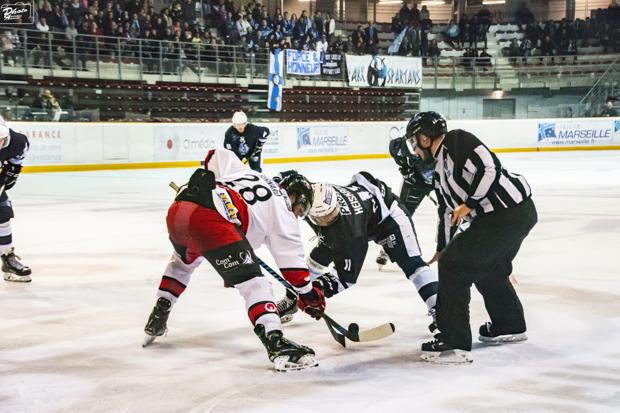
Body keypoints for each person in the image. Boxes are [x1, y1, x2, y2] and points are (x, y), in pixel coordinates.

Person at [142, 149, 325, 372]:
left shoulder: (250, 174)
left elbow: (215, 155)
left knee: (183, 263)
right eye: (300, 207)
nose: (297, 213)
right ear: (293, 194)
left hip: (181, 208)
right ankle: (276, 343)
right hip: (214, 222)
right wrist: (309, 296)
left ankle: (159, 313)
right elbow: (295, 271)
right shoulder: (284, 208)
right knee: (255, 284)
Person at [406, 112, 537, 364]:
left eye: (414, 141)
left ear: (424, 138)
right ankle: (509, 325)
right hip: (512, 215)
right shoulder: (439, 170)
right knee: (488, 268)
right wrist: (443, 247)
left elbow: (489, 168)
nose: (415, 149)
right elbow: (446, 211)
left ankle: (453, 343)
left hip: (505, 214)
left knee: (454, 266)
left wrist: (470, 204)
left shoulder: (456, 140)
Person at [275, 171, 438, 331]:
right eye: (322, 218)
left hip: (389, 218)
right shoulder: (310, 193)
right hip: (359, 213)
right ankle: (292, 299)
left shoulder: (350, 233)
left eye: (329, 216)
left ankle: (440, 311)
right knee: (318, 257)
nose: (327, 220)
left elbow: (346, 277)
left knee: (413, 264)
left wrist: (318, 289)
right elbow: (287, 182)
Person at [376, 134, 434, 267]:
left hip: (437, 182)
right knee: (401, 215)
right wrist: (406, 169)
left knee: (450, 212)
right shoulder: (410, 144)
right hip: (413, 184)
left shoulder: (441, 150)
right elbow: (395, 146)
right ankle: (387, 248)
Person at [0, 120, 32, 282]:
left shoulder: (17, 142)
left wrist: (10, 175)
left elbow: (14, 164)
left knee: (3, 212)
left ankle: (8, 259)